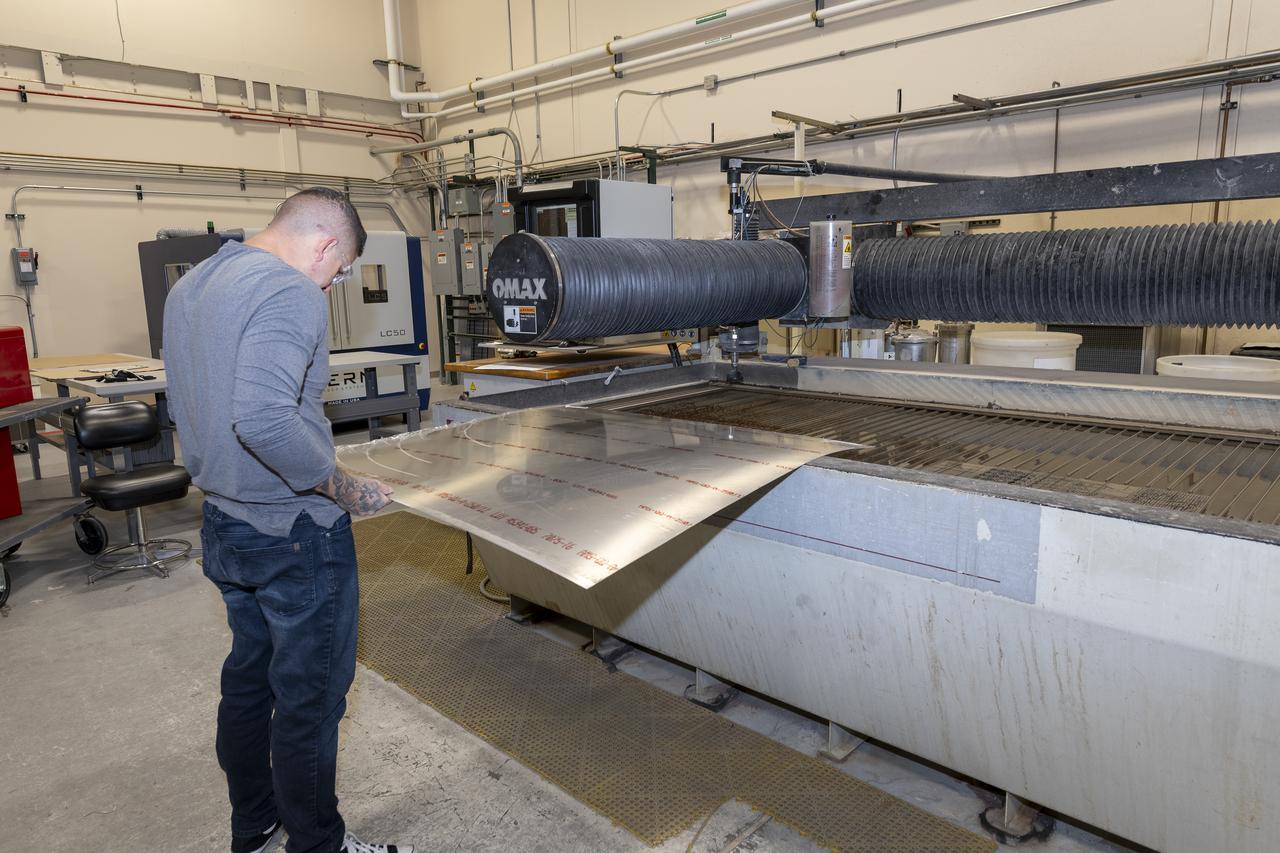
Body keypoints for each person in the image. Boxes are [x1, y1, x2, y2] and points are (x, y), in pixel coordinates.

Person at [164, 188, 413, 853]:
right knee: (309, 701)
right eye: (337, 273)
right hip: (294, 533)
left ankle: (255, 825)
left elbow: (203, 404)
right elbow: (266, 419)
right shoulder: (289, 292)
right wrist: (342, 486)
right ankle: (319, 844)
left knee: (250, 679)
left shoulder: (192, 286)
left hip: (222, 520)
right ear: (327, 244)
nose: (330, 287)